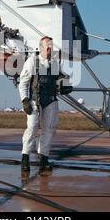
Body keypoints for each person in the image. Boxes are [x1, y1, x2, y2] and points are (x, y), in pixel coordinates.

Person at [18, 36, 72, 173]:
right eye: (47, 47)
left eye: (51, 47)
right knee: (32, 128)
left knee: (49, 128)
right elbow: (23, 82)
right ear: (41, 48)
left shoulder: (54, 64)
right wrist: (25, 100)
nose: (50, 49)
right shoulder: (32, 62)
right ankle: (25, 158)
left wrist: (66, 85)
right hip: (35, 100)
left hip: (50, 100)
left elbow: (62, 76)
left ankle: (44, 159)